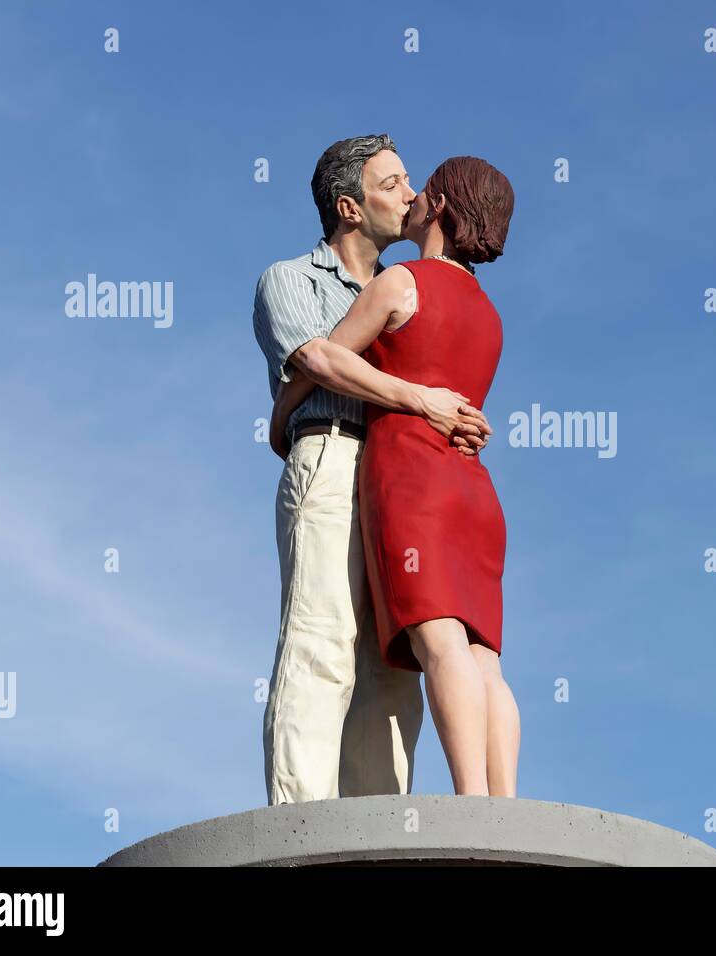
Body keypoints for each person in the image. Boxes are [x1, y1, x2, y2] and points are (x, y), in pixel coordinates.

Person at [253, 135, 494, 805]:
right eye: (393, 184)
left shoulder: (409, 286)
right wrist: (423, 401)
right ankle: (301, 825)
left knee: (394, 663)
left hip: (400, 477)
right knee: (322, 637)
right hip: (332, 457)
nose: (412, 195)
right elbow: (320, 362)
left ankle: (380, 832)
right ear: (350, 208)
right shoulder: (289, 279)